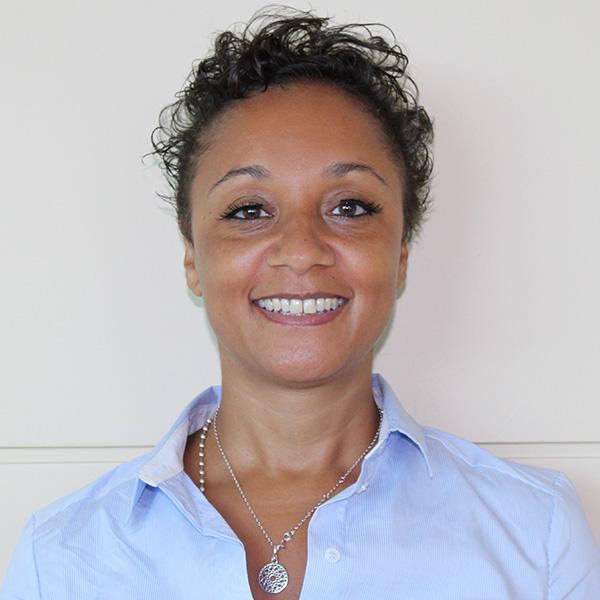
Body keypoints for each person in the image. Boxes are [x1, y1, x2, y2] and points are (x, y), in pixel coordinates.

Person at [2, 8, 599, 600]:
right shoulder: (59, 557)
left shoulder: (536, 535)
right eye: (248, 210)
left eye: (351, 207)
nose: (302, 250)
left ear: (400, 255)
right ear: (193, 257)